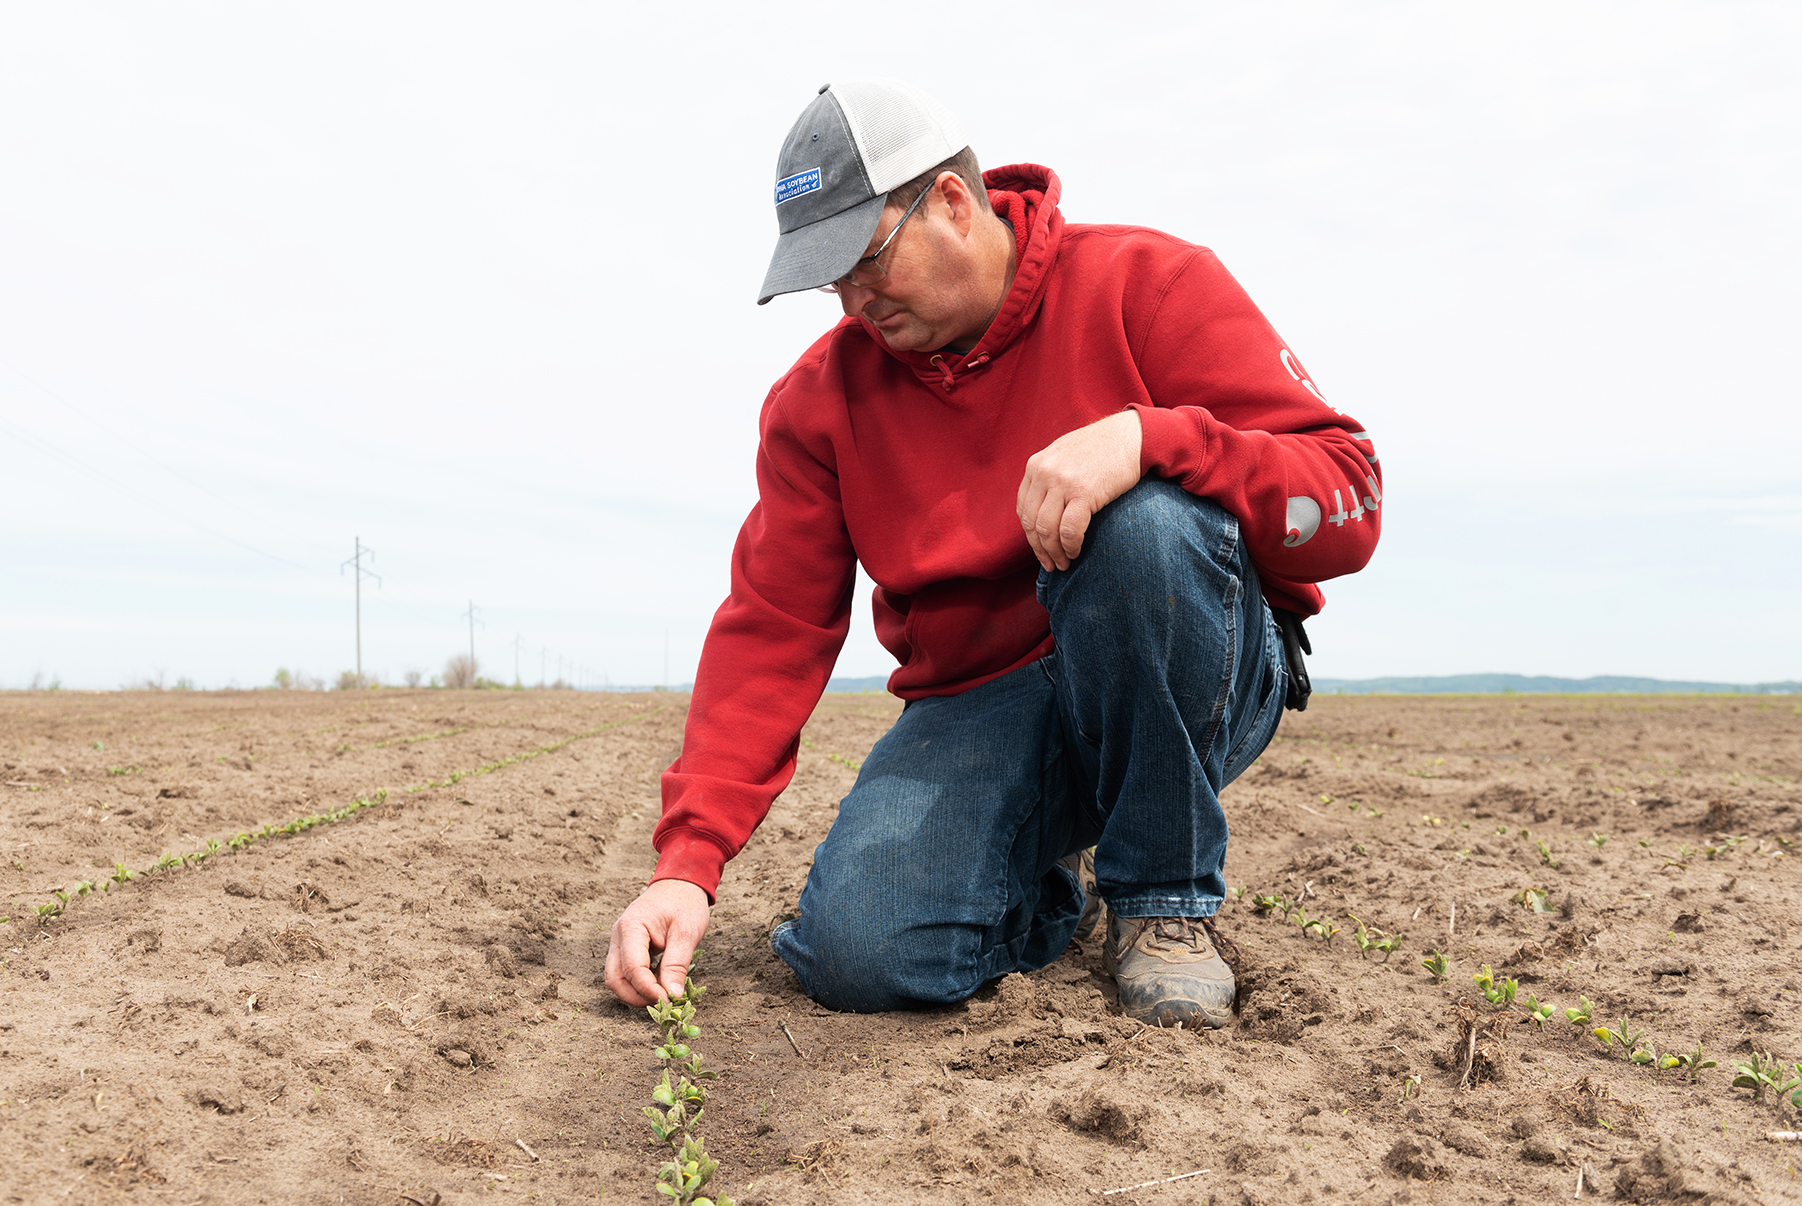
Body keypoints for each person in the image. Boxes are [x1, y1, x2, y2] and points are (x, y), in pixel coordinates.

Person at [605, 78, 1381, 1028]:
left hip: (1195, 660)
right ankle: (1049, 883)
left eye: (864, 259)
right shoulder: (818, 404)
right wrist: (687, 867)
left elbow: (1350, 499)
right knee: (860, 953)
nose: (851, 301)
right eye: (828, 278)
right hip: (982, 702)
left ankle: (1163, 902)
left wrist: (1154, 438)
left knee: (1141, 527)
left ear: (952, 203)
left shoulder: (1148, 283)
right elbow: (773, 626)